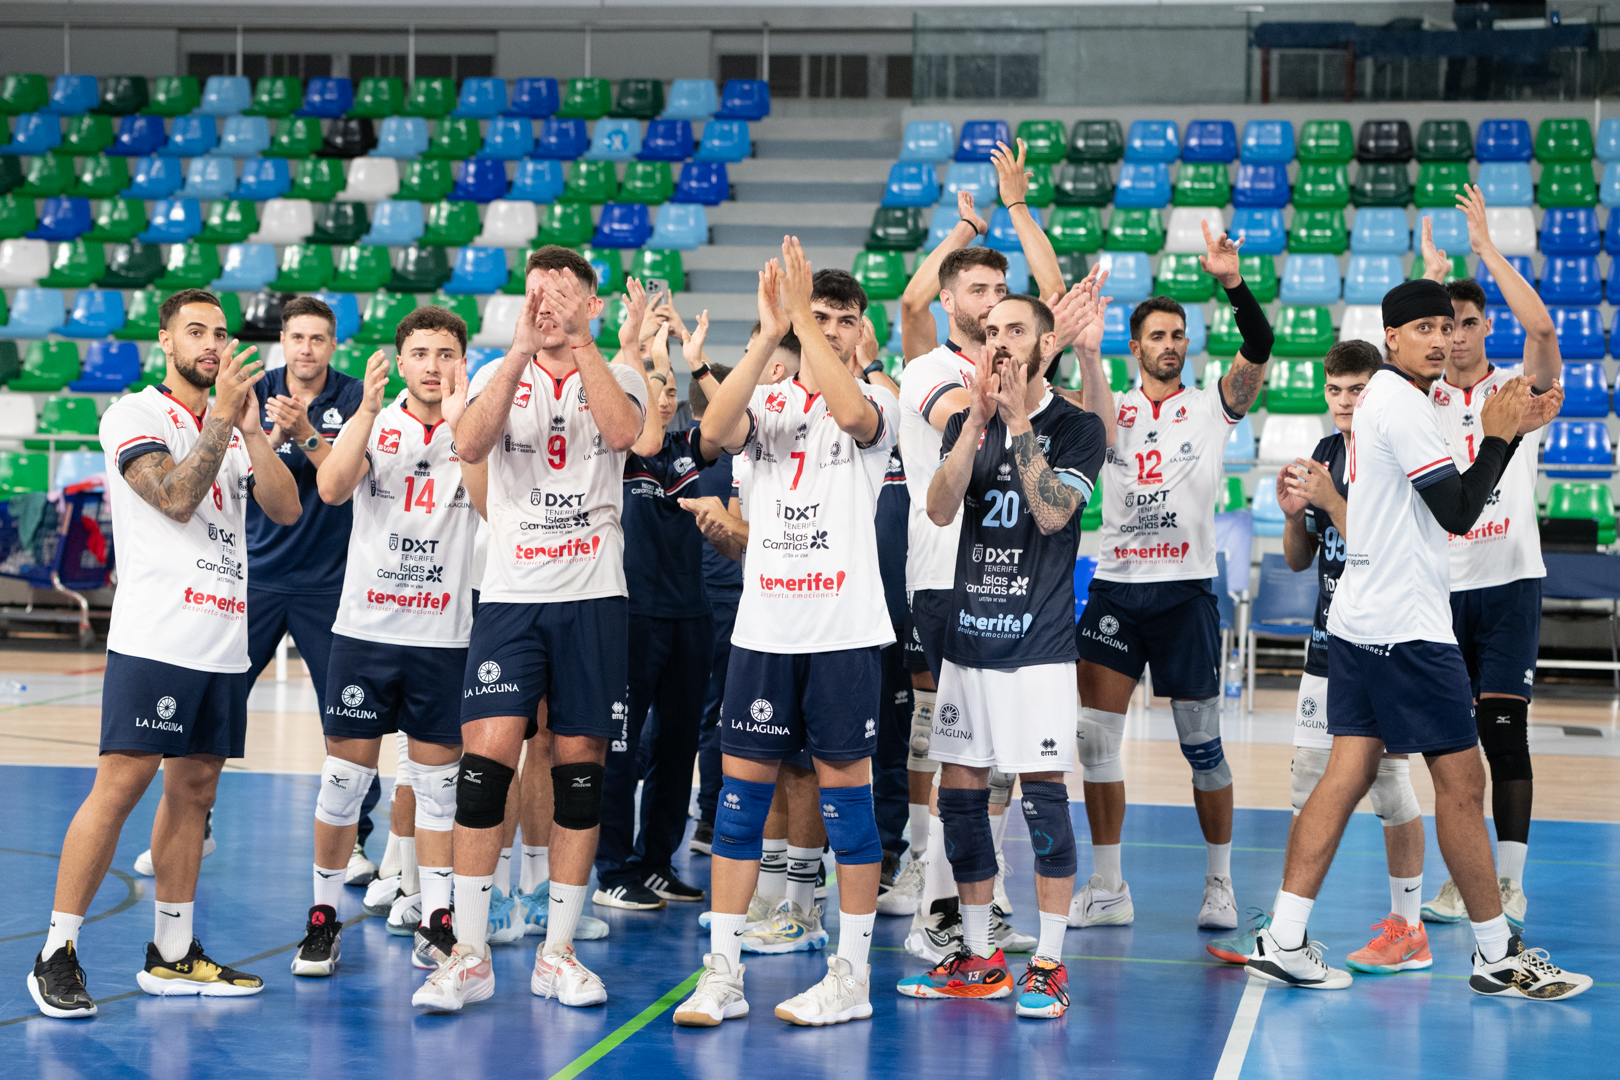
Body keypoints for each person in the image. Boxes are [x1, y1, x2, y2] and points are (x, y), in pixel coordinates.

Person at [1245, 279, 1590, 1001]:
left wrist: (1511, 428)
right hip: (1405, 626)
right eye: (1423, 329)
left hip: (1361, 620)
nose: (1439, 339)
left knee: (1345, 777)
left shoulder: (1393, 403)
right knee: (1463, 785)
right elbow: (1460, 512)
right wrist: (1499, 434)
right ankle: (1497, 954)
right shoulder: (1402, 405)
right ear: (1391, 339)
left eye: (1446, 326)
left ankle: (1283, 934)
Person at [29, 289, 300, 1018]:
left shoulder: (234, 426)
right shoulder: (135, 414)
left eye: (220, 333)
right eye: (196, 332)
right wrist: (220, 424)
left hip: (221, 640)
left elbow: (286, 508)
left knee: (196, 791)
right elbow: (176, 498)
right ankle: (56, 952)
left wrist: (253, 431)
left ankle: (173, 954)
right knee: (120, 786)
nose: (212, 344)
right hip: (157, 636)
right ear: (165, 340)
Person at [411, 247, 648, 1012]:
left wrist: (581, 343)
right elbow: (471, 445)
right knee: (484, 766)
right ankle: (471, 954)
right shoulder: (493, 373)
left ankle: (558, 951)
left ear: (591, 303)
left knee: (580, 770)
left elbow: (624, 435)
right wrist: (516, 351)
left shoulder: (619, 371)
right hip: (511, 595)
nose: (547, 306)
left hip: (593, 597)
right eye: (537, 294)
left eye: (564, 294)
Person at [671, 241, 898, 1029]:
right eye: (822, 316)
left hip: (841, 633)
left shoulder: (876, 403)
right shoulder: (766, 403)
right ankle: (723, 974)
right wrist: (770, 334)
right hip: (764, 632)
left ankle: (852, 976)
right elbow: (711, 432)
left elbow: (849, 413)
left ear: (862, 333)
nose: (831, 329)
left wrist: (801, 315)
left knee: (850, 813)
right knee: (738, 809)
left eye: (845, 319)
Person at [889, 141, 1079, 938]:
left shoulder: (1023, 380)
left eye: (1003, 292)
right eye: (979, 289)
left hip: (1012, 584)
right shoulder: (933, 365)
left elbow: (1055, 303)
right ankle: (938, 900)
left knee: (999, 763)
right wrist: (959, 233)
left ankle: (978, 893)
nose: (995, 300)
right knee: (954, 758)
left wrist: (1018, 211)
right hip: (942, 578)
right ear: (953, 300)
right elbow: (914, 311)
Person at [900, 291, 1107, 1020]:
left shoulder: (1079, 428)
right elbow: (939, 507)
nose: (999, 344)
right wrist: (979, 426)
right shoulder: (967, 417)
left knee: (1044, 799)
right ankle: (982, 955)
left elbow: (1052, 511)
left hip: (1039, 646)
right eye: (990, 333)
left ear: (1045, 345)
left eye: (1015, 330)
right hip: (970, 639)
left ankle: (1048, 962)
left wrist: (1018, 423)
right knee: (959, 798)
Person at [1072, 222, 1274, 931]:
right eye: (1157, 335)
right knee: (1094, 738)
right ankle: (1107, 886)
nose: (1169, 344)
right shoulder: (1106, 405)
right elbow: (1069, 423)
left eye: (1178, 334)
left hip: (1187, 591)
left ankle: (1219, 884)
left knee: (1201, 745)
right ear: (1136, 346)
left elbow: (1260, 346)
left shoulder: (1213, 407)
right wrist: (1085, 355)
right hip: (1117, 590)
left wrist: (1231, 282)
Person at [130, 297, 373, 883]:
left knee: (345, 719)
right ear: (282, 341)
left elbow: (352, 480)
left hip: (329, 582)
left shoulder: (353, 398)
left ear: (332, 345)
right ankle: (197, 822)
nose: (307, 348)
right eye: (297, 337)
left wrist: (305, 433)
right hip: (254, 578)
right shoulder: (245, 392)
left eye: (318, 338)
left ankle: (356, 840)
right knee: (213, 702)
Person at [1207, 341, 1431, 973]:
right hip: (1329, 642)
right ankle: (1286, 928)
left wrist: (1330, 500)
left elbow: (1388, 547)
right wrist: (1292, 519)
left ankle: (1408, 926)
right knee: (1307, 779)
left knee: (1389, 785)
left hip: (1386, 642)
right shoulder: (1328, 454)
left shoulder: (1391, 452)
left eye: (1356, 390)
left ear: (1380, 388)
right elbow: (1304, 559)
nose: (1344, 403)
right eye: (1335, 391)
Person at [291, 307, 483, 979]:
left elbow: (491, 507)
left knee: (437, 792)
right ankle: (321, 919)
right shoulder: (375, 421)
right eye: (421, 353)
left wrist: (464, 425)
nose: (433, 365)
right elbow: (332, 487)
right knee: (344, 780)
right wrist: (367, 412)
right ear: (401, 363)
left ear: (464, 361)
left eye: (446, 354)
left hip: (443, 636)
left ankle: (437, 920)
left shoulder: (474, 427)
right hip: (367, 631)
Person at [1418, 188, 1560, 933]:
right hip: (1440, 588)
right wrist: (1429, 275)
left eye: (1469, 322)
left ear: (1485, 326)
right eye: (1446, 325)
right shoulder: (1418, 398)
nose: (1459, 335)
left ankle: (1509, 886)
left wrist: (1486, 253)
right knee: (1450, 745)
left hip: (1507, 582)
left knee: (1504, 733)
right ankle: (1461, 881)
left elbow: (1541, 326)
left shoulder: (1519, 392)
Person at [594, 313, 725, 908]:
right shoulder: (613, 452)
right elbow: (621, 396)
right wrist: (632, 348)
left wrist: (683, 357)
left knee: (677, 747)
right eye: (652, 382)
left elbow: (721, 429)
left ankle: (654, 861)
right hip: (630, 616)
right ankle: (612, 867)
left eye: (670, 387)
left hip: (689, 616)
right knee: (619, 746)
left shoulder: (688, 451)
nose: (663, 394)